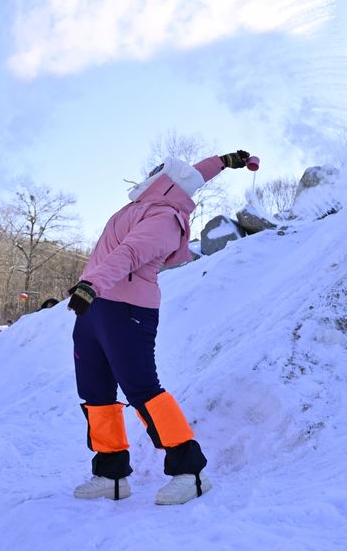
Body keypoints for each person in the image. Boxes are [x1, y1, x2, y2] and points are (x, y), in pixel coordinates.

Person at [67, 150, 251, 506]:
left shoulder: (167, 218)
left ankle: (191, 472)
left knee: (142, 390)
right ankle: (110, 475)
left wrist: (91, 286)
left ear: (166, 181)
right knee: (96, 393)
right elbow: (192, 176)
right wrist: (224, 161)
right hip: (96, 307)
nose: (151, 172)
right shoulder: (147, 204)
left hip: (126, 309)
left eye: (158, 171)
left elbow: (130, 253)